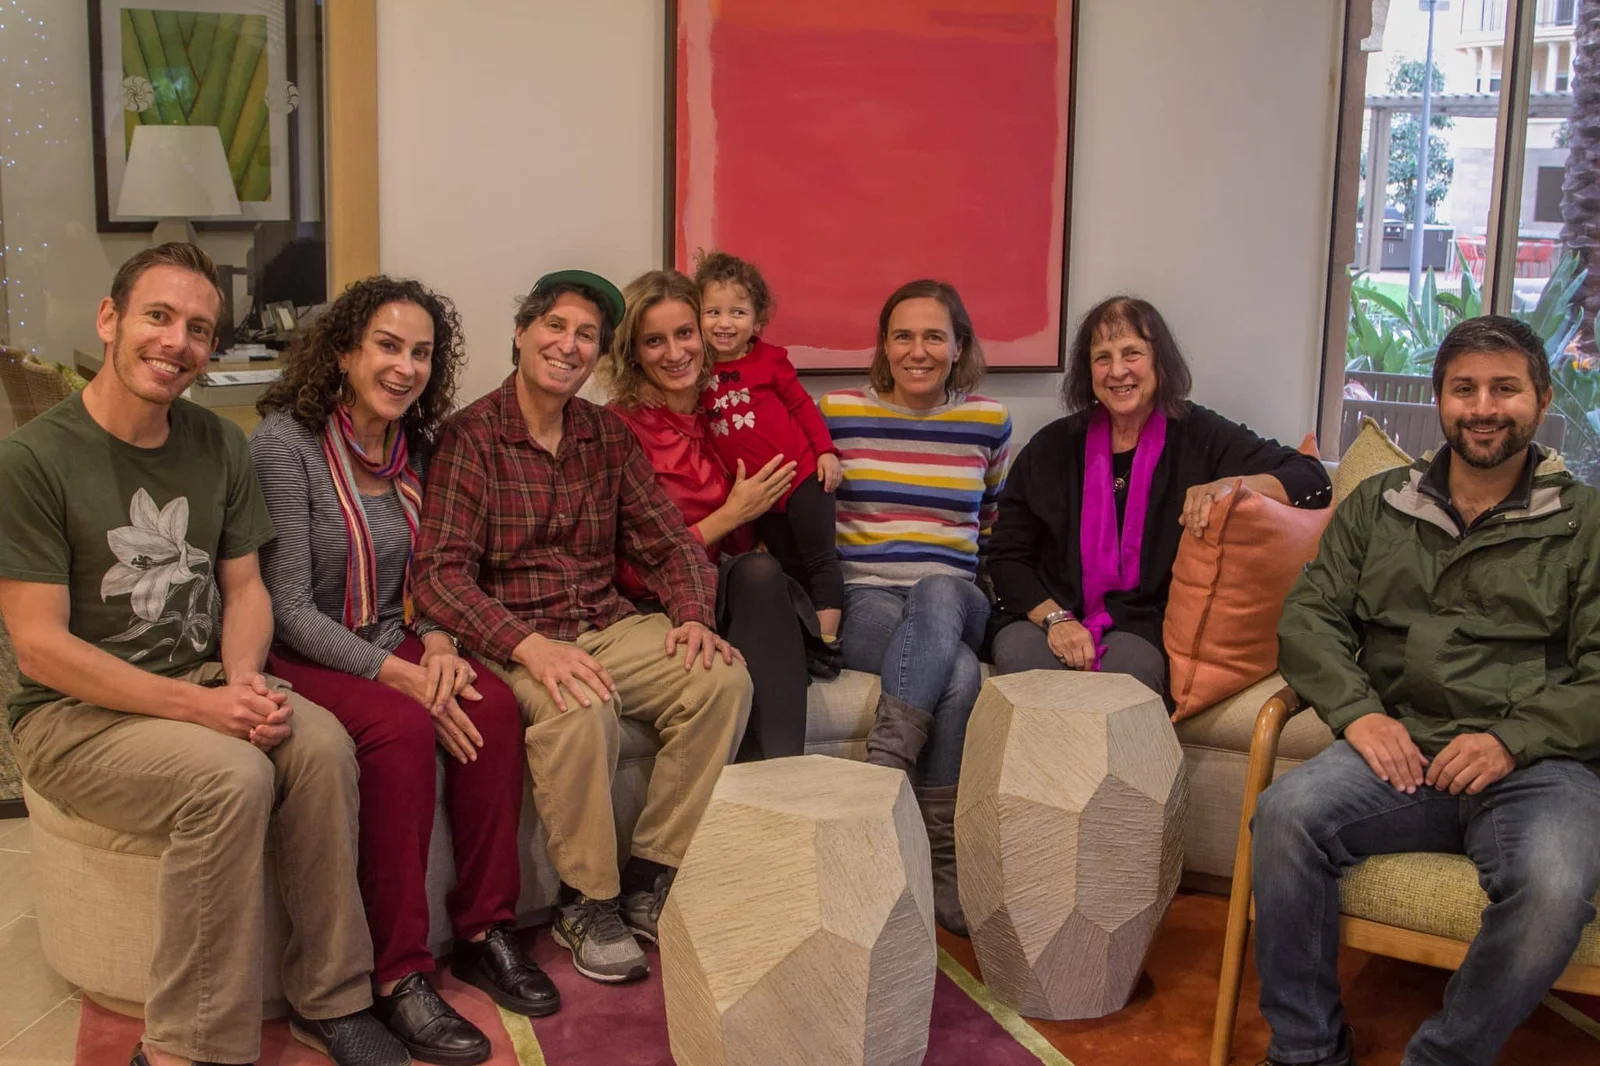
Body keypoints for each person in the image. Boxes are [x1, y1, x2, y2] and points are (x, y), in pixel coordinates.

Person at [0, 244, 407, 1066]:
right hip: (74, 718)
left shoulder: (219, 444)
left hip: (203, 679)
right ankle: (188, 1048)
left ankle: (330, 997)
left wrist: (247, 681)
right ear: (110, 319)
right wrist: (204, 708)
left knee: (323, 746)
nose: (177, 342)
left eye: (198, 329)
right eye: (159, 316)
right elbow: (39, 649)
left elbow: (248, 588)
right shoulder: (33, 459)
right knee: (233, 776)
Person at [1253, 315, 1600, 1066]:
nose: (1483, 407)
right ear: (1438, 401)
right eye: (1464, 388)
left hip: (1541, 767)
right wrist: (1361, 715)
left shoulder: (1587, 522)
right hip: (1402, 750)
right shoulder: (1380, 506)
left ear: (1541, 400)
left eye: (1505, 389)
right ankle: (1306, 1052)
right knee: (1284, 816)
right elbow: (1308, 619)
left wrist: (1513, 740)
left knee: (1554, 887)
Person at [413, 268, 752, 987]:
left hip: (604, 625)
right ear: (522, 333)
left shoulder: (606, 436)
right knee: (580, 705)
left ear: (598, 355)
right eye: (556, 327)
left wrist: (691, 614)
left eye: (587, 336)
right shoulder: (470, 438)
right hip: (514, 637)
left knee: (721, 678)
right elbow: (438, 575)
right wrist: (529, 649)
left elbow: (670, 544)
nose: (569, 345)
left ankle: (650, 877)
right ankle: (585, 901)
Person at [250, 276, 557, 1065]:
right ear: (347, 352)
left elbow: (442, 570)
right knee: (400, 727)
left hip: (410, 634)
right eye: (388, 346)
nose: (405, 366)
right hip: (312, 647)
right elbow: (287, 607)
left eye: (422, 352)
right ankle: (398, 975)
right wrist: (400, 674)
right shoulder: (286, 445)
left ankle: (486, 930)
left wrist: (445, 648)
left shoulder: (425, 447)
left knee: (489, 707)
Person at [985, 295, 1331, 696]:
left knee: (1126, 681)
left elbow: (1312, 480)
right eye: (1102, 358)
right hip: (1044, 616)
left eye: (1132, 353)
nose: (1117, 371)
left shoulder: (1199, 434)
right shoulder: (1051, 446)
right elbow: (1008, 555)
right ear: (1088, 371)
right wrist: (1057, 620)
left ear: (1159, 361)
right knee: (1025, 671)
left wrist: (1229, 485)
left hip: (1140, 625)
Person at [818, 279, 1012, 936]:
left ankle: (886, 769)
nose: (918, 350)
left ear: (959, 346)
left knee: (937, 588)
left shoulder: (988, 420)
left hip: (956, 596)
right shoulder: (836, 411)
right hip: (865, 595)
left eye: (934, 336)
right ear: (884, 345)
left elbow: (991, 524)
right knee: (959, 676)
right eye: (903, 335)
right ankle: (941, 863)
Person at [601, 268, 812, 761]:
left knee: (763, 573)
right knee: (758, 577)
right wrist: (731, 515)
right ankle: (775, 780)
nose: (675, 354)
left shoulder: (728, 410)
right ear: (632, 351)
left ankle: (781, 782)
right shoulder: (618, 429)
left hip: (739, 593)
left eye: (684, 334)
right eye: (654, 341)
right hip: (656, 598)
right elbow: (624, 568)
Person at [694, 251, 845, 671]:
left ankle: (827, 643)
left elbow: (802, 406)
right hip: (755, 493)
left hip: (801, 476)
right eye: (713, 312)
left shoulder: (769, 359)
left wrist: (826, 451)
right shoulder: (695, 369)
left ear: (757, 321)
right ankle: (799, 634)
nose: (725, 323)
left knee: (819, 560)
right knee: (781, 563)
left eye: (738, 312)